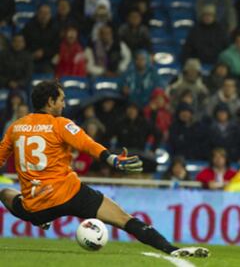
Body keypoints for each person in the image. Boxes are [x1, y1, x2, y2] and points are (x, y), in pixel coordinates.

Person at [0, 80, 209, 258]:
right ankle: (170, 249)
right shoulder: (60, 124)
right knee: (124, 219)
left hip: (36, 206)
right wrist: (111, 158)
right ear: (50, 102)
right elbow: (86, 144)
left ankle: (40, 221)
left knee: (5, 193)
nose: (63, 104)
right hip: (70, 194)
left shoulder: (15, 127)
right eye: (61, 99)